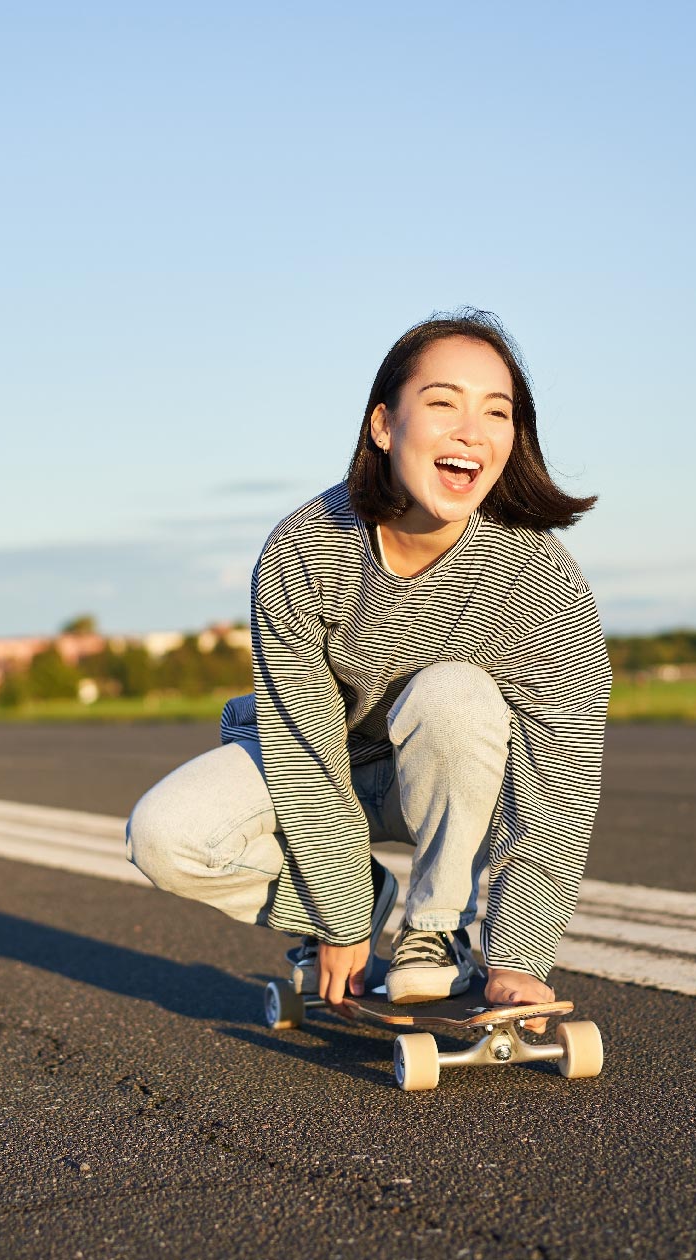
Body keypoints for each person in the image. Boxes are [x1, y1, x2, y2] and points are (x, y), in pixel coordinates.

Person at [125, 308, 611, 1020]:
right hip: (322, 763)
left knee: (454, 695)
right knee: (165, 836)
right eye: (443, 403)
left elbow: (561, 776)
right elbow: (303, 747)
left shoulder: (539, 579)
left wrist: (518, 955)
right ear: (384, 426)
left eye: (496, 412)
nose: (471, 431)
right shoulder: (306, 549)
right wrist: (342, 911)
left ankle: (431, 931)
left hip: (451, 783)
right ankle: (370, 893)